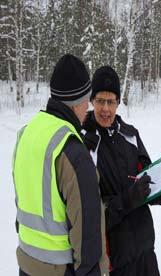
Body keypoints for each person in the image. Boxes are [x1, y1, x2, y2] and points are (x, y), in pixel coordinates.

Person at [13, 54, 107, 276]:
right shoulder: (72, 151)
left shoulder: (26, 134)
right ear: (78, 102)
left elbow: (23, 199)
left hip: (26, 263)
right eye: (88, 100)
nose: (89, 108)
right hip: (59, 269)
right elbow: (87, 239)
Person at [82, 66, 161, 276]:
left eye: (111, 101)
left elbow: (149, 178)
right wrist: (128, 199)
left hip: (145, 251)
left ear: (118, 102)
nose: (106, 109)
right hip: (114, 261)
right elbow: (90, 214)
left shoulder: (130, 134)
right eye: (100, 101)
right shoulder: (85, 143)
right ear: (92, 101)